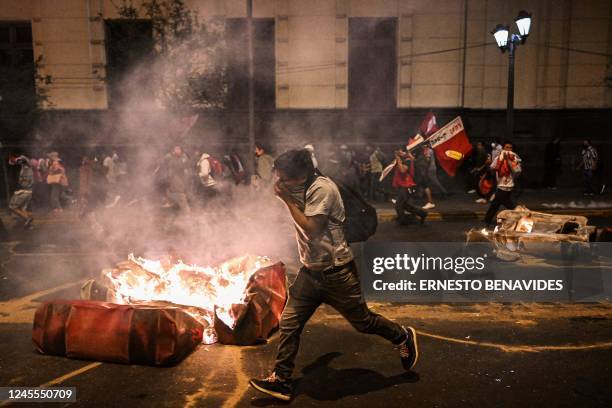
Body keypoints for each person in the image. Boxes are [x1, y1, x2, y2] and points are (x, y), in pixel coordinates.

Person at [249, 149, 418, 401]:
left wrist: (285, 199)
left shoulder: (322, 189)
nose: (280, 183)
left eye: (285, 178)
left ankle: (401, 335)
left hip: (337, 273)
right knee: (290, 322)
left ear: (301, 175)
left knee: (363, 322)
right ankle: (282, 380)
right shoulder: (300, 185)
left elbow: (311, 230)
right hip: (310, 273)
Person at [484, 142, 522, 227]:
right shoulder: (498, 158)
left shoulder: (515, 159)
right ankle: (487, 221)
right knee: (497, 204)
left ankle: (519, 217)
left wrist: (508, 160)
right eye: (506, 147)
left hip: (510, 186)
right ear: (503, 148)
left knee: (501, 204)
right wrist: (488, 163)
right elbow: (492, 169)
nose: (508, 149)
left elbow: (516, 171)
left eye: (510, 148)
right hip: (501, 186)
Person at [393, 148, 428, 225]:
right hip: (405, 186)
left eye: (401, 151)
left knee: (399, 205)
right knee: (405, 206)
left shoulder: (407, 161)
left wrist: (397, 157)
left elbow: (402, 170)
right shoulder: (407, 160)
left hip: (406, 187)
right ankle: (422, 214)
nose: (399, 152)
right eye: (399, 151)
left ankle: (402, 221)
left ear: (407, 152)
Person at [162, 146, 192, 215]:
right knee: (176, 193)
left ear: (181, 150)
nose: (177, 151)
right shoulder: (169, 156)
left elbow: (185, 165)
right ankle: (184, 211)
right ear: (173, 150)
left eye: (179, 149)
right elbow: (165, 162)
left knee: (181, 194)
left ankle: (185, 212)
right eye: (176, 149)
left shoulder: (184, 157)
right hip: (172, 177)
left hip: (180, 177)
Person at [8, 155, 34, 228]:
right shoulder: (26, 167)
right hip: (28, 191)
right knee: (22, 208)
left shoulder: (26, 169)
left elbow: (26, 183)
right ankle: (29, 224)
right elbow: (14, 161)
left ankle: (28, 219)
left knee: (12, 206)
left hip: (25, 191)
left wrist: (20, 188)